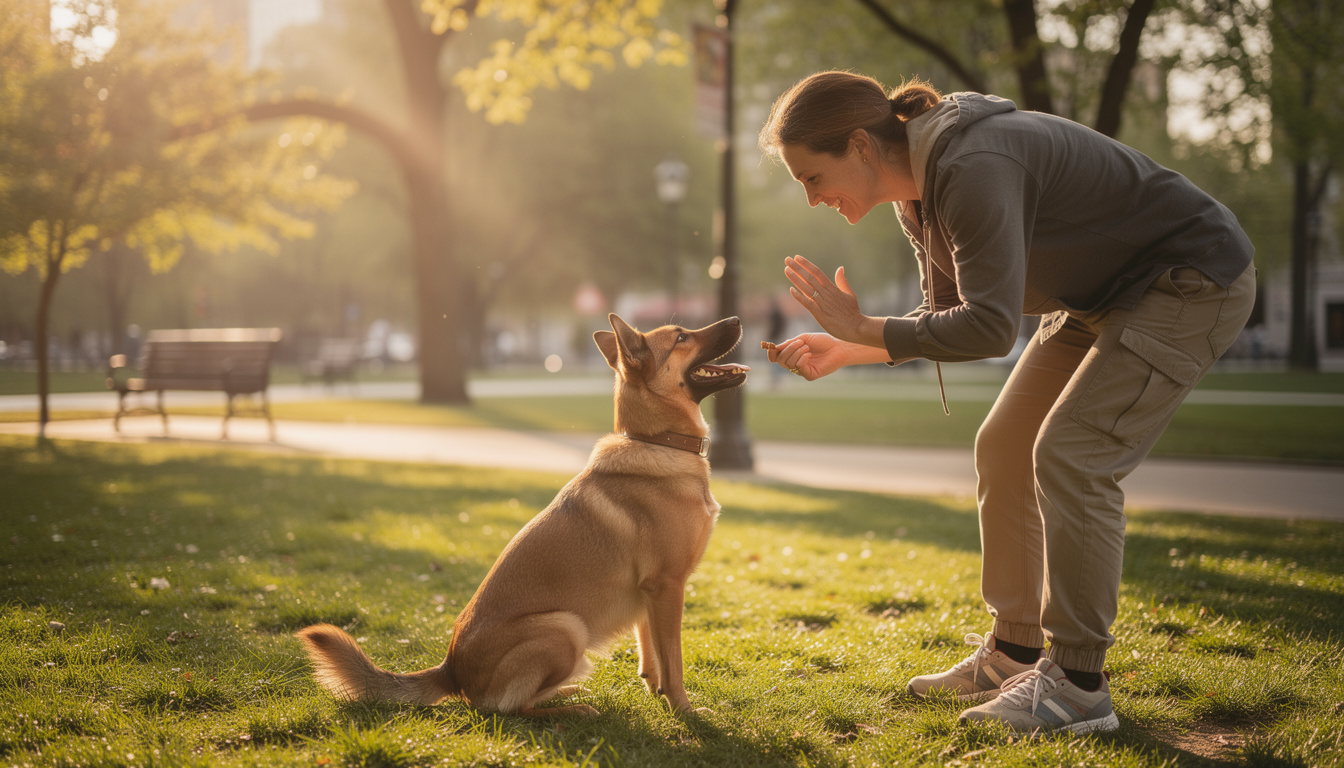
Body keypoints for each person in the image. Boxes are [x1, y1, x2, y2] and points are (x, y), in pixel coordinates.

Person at [758, 71, 1256, 735]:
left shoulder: (971, 166)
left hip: (1187, 278)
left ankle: (1079, 685)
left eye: (812, 177)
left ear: (859, 145)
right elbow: (948, 318)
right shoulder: (921, 194)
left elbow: (989, 330)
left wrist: (865, 331)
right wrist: (851, 348)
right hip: (1100, 297)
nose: (813, 198)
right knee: (1004, 446)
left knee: (1072, 453)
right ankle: (1015, 654)